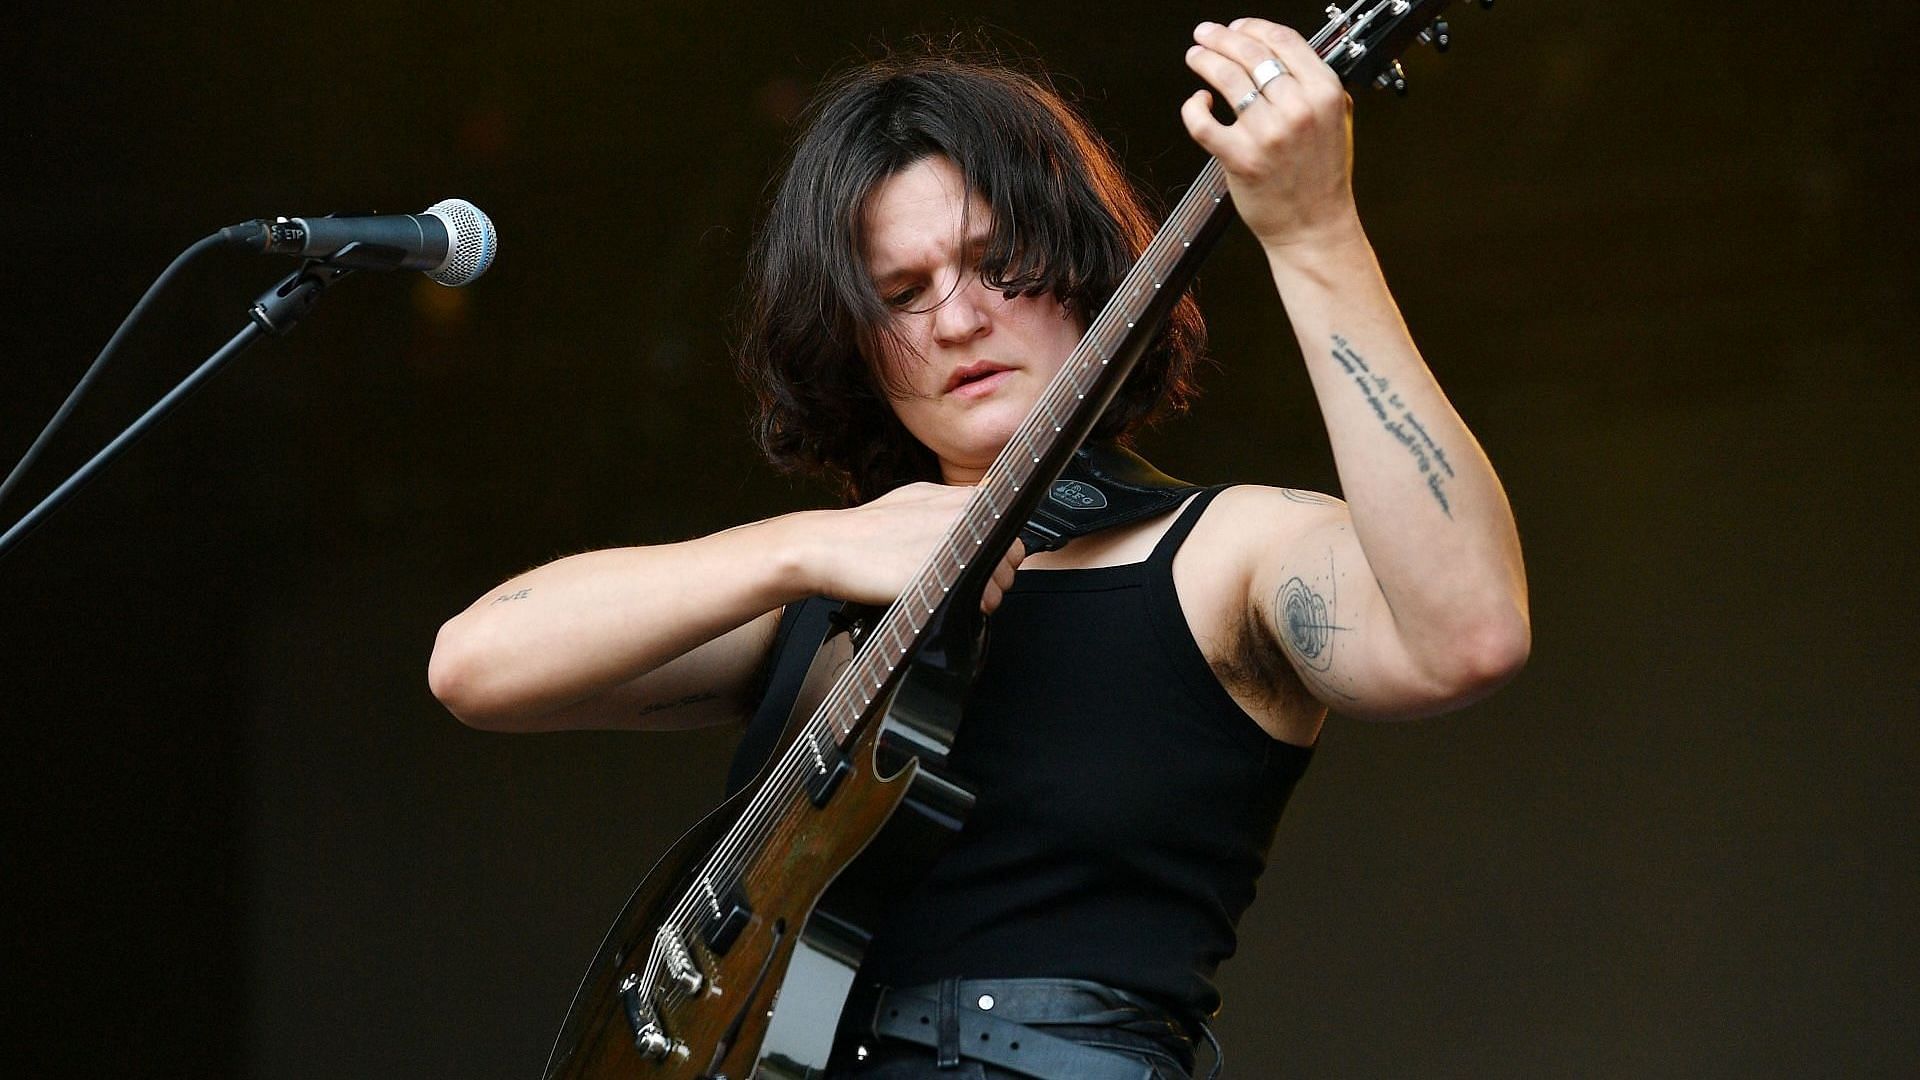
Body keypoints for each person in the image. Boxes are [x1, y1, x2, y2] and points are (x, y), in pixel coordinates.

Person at [429, 19, 1529, 1080]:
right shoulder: (817, 591)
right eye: (900, 295)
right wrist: (815, 545)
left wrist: (1313, 234)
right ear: (851, 348)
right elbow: (475, 668)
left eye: (995, 263)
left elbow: (1466, 635)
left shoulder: (1222, 553)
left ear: (1079, 262)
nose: (955, 322)